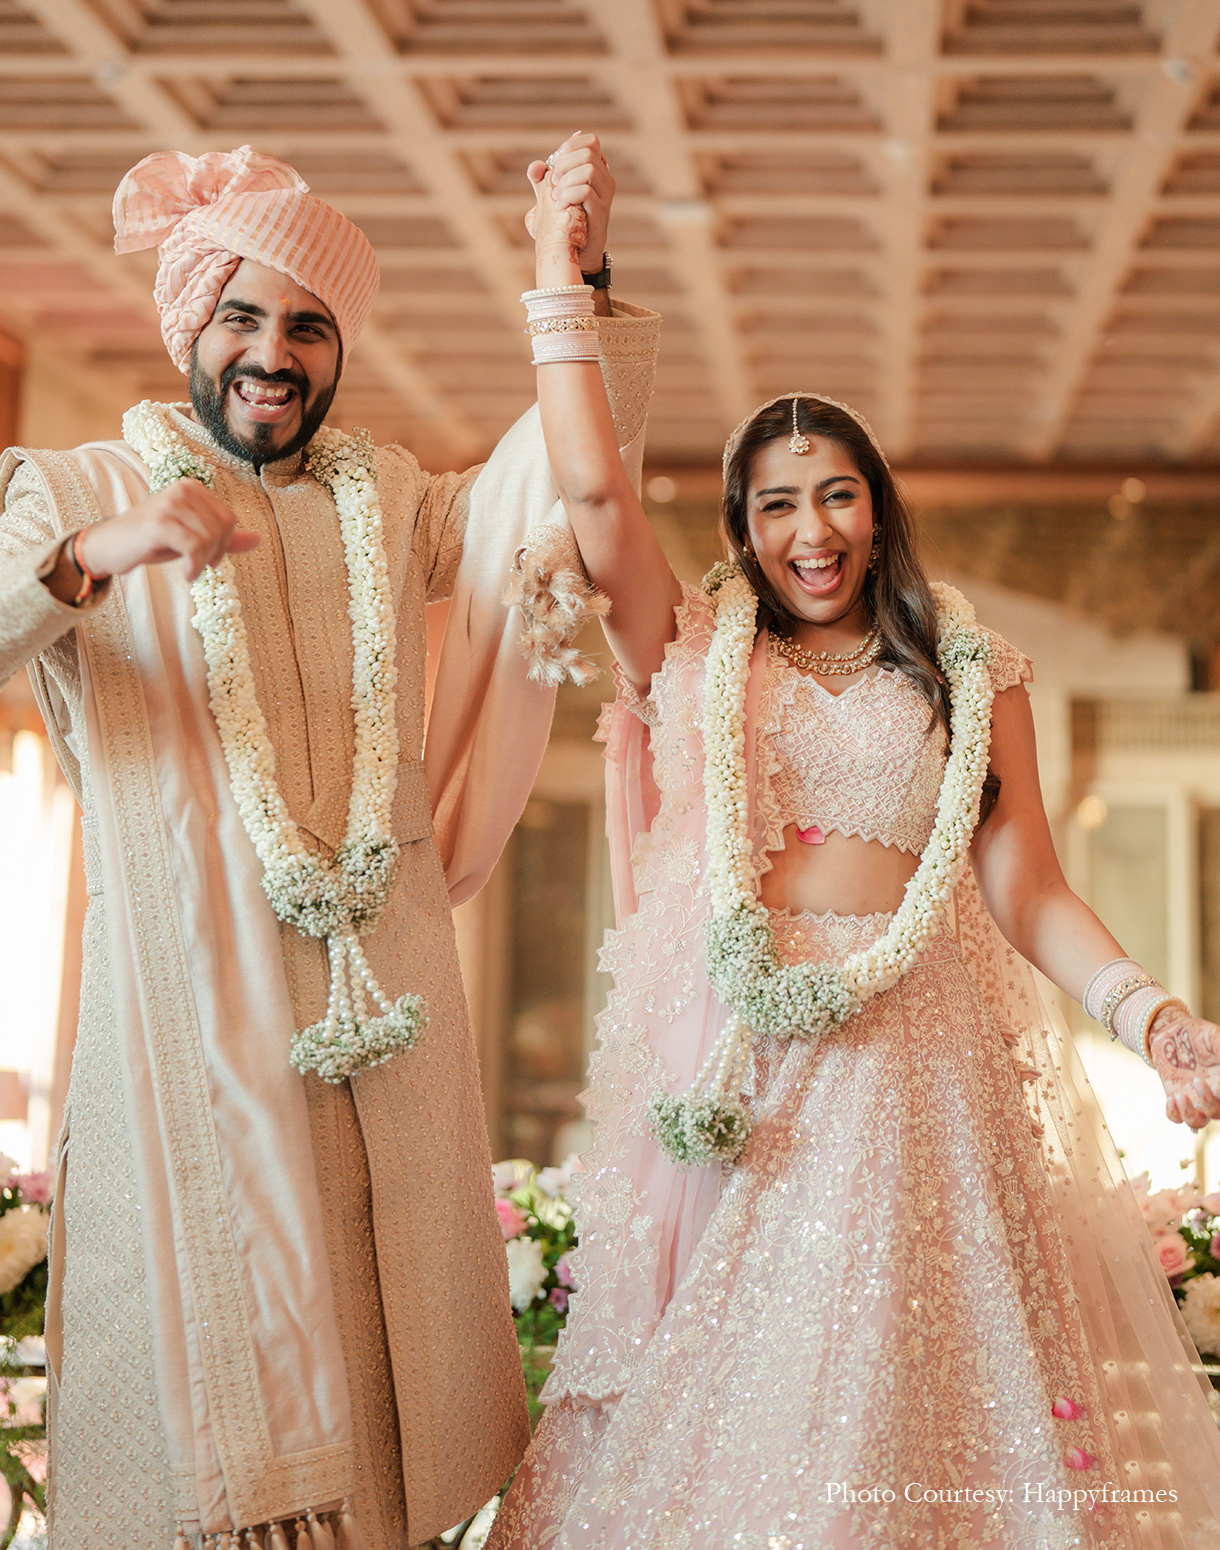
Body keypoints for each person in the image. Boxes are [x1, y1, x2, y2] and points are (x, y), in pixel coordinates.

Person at [487, 147, 1220, 1548]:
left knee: (911, 1366)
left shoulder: (971, 669)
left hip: (919, 1056)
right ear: (741, 531)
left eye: (832, 492)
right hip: (747, 1060)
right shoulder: (694, 648)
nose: (808, 528)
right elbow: (590, 500)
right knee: (724, 1372)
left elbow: (1031, 888)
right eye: (774, 502)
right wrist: (558, 271)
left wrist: (1159, 1016)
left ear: (875, 503)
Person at [0, 140, 659, 1549]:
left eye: (307, 325)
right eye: (242, 316)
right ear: (190, 326)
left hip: (380, 1013)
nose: (273, 353)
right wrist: (98, 557)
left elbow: (547, 496)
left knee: (384, 1393)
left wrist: (574, 280)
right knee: (210, 1429)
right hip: (188, 1032)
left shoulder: (392, 500)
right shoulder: (77, 485)